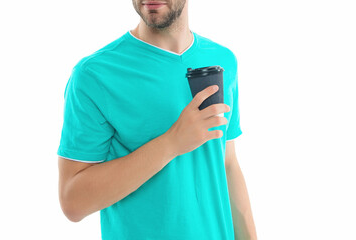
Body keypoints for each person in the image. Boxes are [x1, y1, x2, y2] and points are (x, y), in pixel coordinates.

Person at [57, 0, 257, 239]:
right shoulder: (94, 75)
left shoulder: (223, 61)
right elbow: (73, 201)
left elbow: (226, 164)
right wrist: (172, 143)